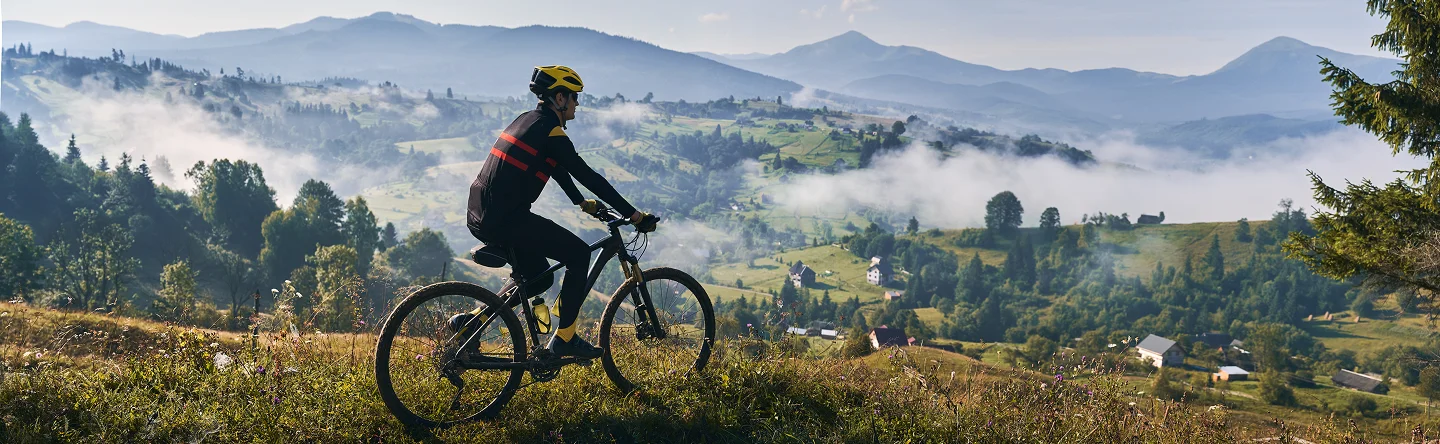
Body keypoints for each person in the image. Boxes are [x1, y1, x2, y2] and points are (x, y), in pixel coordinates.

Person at [459, 65, 654, 359]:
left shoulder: (527, 120)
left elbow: (557, 167)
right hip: (505, 217)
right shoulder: (550, 131)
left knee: (538, 277)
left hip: (480, 211)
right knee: (578, 254)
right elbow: (587, 175)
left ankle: (471, 321)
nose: (577, 104)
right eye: (574, 97)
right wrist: (634, 215)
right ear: (559, 98)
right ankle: (565, 338)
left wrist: (580, 202)